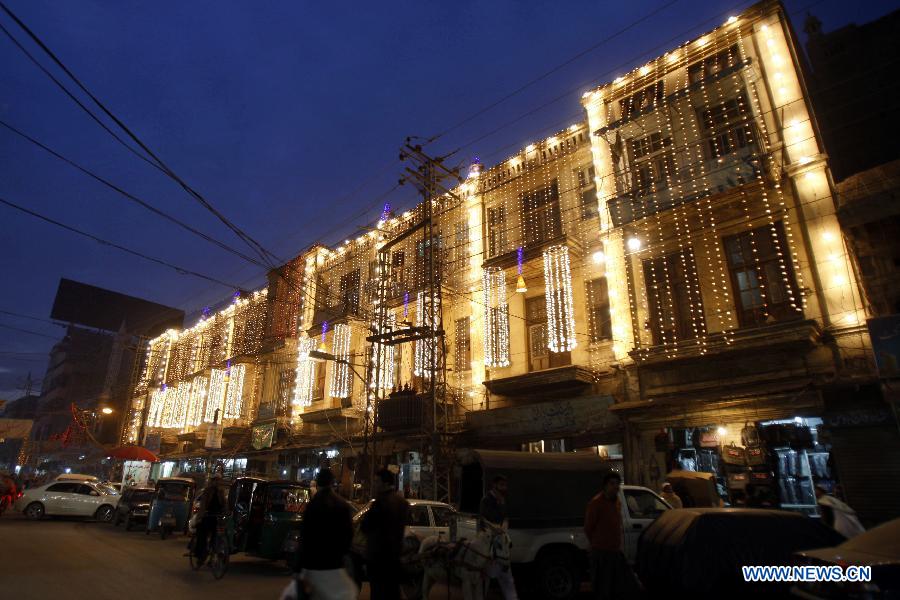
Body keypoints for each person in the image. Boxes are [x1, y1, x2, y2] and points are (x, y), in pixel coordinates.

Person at [296, 468, 357, 600]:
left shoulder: (313, 505)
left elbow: (305, 536)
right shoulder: (342, 505)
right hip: (335, 564)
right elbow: (348, 535)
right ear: (332, 483)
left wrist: (299, 565)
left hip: (313, 563)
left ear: (317, 483)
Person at [360, 468, 409, 600]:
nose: (374, 485)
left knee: (378, 593)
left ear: (386, 483)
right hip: (394, 559)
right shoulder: (402, 503)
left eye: (377, 482)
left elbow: (365, 527)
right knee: (392, 593)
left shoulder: (380, 503)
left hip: (378, 560)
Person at [585, 471, 633, 600]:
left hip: (615, 552)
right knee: (602, 588)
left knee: (616, 587)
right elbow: (589, 527)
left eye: (617, 484)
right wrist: (597, 544)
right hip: (601, 552)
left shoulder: (616, 502)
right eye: (612, 484)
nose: (615, 487)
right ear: (605, 486)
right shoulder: (596, 503)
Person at [478, 475, 518, 599]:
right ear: (494, 485)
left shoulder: (503, 500)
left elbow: (506, 516)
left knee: (507, 577)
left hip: (501, 541)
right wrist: (495, 527)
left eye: (505, 485)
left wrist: (504, 524)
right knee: (486, 577)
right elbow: (485, 518)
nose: (504, 488)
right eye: (501, 485)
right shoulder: (487, 500)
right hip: (489, 540)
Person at [193, 472, 227, 562]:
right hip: (207, 515)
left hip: (217, 516)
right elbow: (203, 505)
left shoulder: (221, 492)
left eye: (218, 480)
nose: (217, 482)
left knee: (218, 536)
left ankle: (215, 553)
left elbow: (224, 504)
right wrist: (200, 517)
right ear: (212, 481)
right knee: (202, 534)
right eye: (215, 480)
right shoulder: (207, 491)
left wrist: (226, 513)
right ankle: (201, 555)